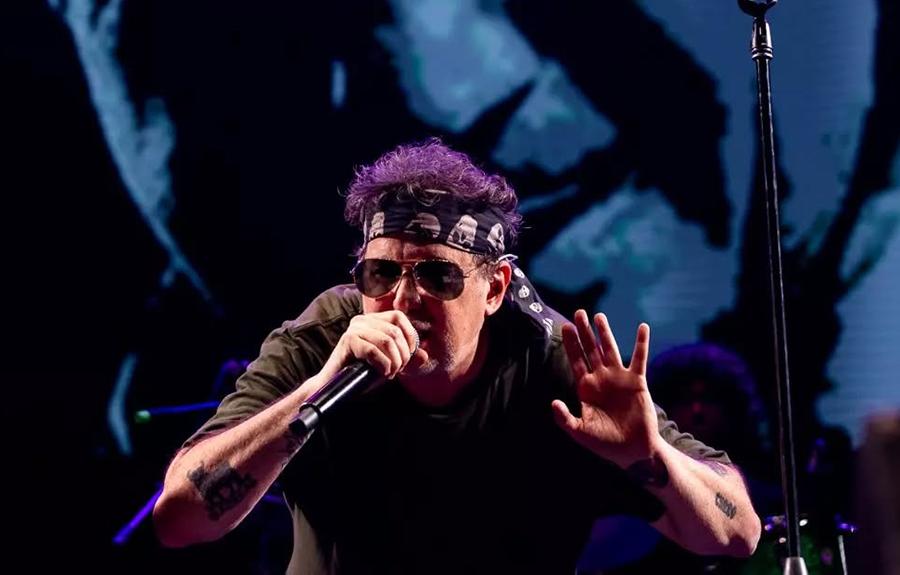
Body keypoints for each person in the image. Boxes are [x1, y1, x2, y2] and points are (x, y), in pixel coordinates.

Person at [152, 140, 761, 574]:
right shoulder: (322, 342)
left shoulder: (554, 362)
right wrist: (318, 391)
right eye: (380, 273)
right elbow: (178, 521)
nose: (403, 299)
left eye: (438, 277)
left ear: (494, 289)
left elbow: (738, 535)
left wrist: (647, 457)